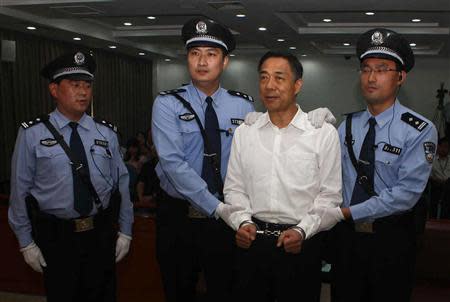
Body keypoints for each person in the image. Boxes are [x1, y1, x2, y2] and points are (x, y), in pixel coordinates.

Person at [8, 51, 133, 302]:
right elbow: (19, 191)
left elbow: (122, 184)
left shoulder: (106, 132)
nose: (83, 92)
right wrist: (26, 242)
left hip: (100, 234)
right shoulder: (32, 134)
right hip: (57, 237)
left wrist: (126, 230)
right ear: (54, 90)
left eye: (87, 85)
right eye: (75, 85)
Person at [223, 51, 343, 302]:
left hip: (301, 245)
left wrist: (302, 231)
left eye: (279, 78)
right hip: (252, 242)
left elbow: (330, 197)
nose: (270, 86)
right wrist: (242, 222)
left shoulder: (322, 133)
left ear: (297, 84)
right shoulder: (246, 132)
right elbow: (234, 188)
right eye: (264, 77)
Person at [328, 28, 437, 302]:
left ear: (400, 77)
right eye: (365, 69)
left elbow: (405, 195)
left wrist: (347, 212)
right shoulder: (347, 125)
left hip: (390, 239)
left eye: (382, 69)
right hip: (347, 240)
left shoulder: (419, 130)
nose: (371, 77)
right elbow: (330, 178)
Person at [151, 18, 254, 302]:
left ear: (225, 62)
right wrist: (217, 207)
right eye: (195, 54)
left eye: (211, 54)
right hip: (179, 218)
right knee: (178, 290)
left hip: (225, 218)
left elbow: (252, 159)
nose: (202, 61)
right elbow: (173, 165)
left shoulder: (243, 105)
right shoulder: (167, 103)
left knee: (227, 290)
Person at [429, 137, 450, 218]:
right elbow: (429, 175)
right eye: (443, 146)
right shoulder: (432, 160)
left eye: (447, 147)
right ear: (438, 147)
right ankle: (433, 217)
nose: (444, 149)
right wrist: (437, 180)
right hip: (436, 184)